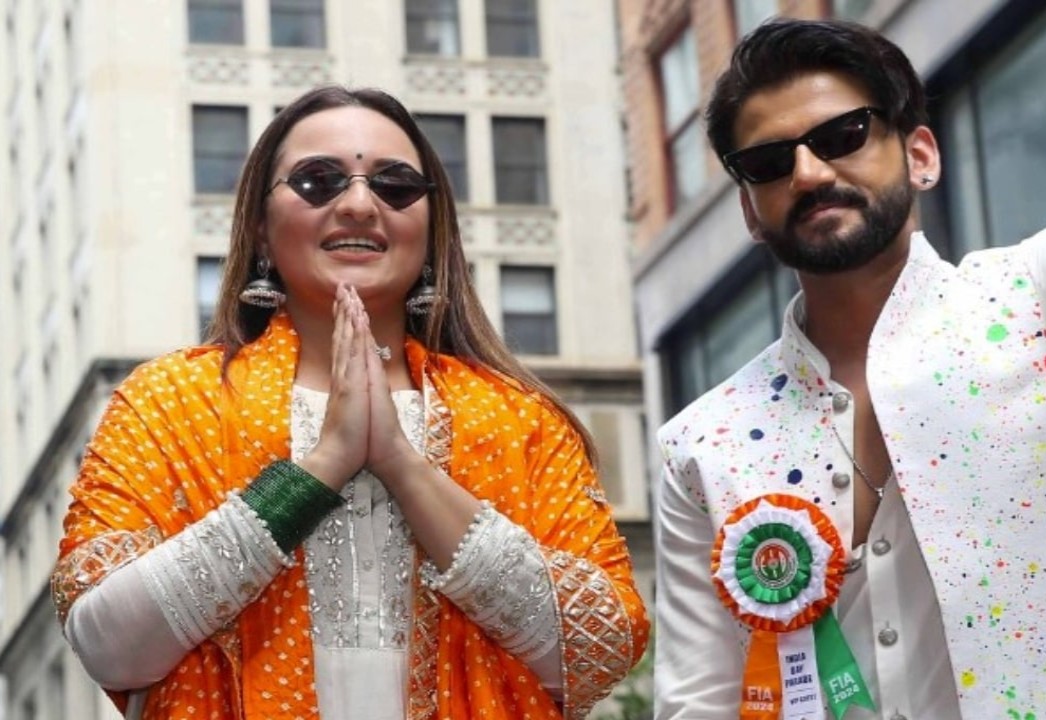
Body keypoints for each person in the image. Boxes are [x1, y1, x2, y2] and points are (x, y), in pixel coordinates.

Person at [654, 2, 1046, 718]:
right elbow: (699, 705)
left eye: (843, 135)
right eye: (768, 162)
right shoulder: (699, 446)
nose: (809, 174)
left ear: (921, 155)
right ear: (751, 210)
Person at [50, 85, 649, 720]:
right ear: (258, 223)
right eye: (318, 181)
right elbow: (107, 646)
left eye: (395, 186)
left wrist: (401, 463)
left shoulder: (520, 419)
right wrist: (321, 467)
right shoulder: (166, 404)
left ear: (431, 226)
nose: (361, 204)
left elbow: (601, 649)